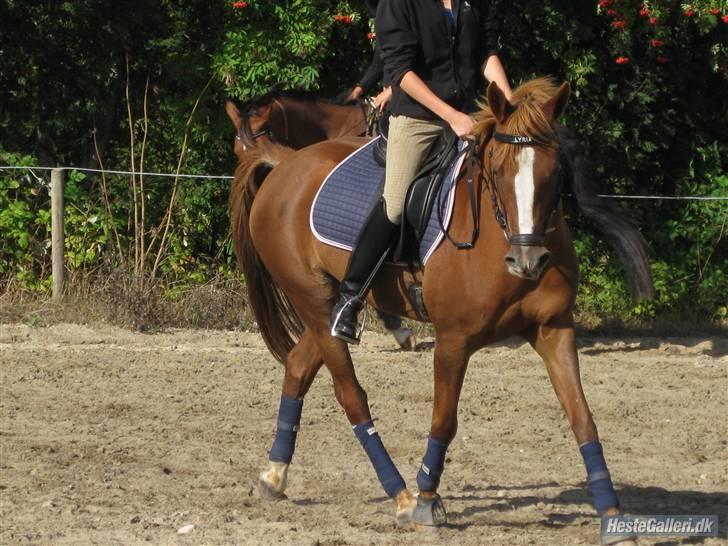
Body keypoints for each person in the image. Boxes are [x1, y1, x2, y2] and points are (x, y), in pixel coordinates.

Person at [330, 0, 513, 343]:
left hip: (473, 113)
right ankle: (349, 297)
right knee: (397, 202)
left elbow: (486, 53)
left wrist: (509, 105)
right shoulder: (398, 3)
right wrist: (451, 116)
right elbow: (400, 72)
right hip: (418, 118)